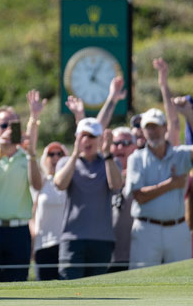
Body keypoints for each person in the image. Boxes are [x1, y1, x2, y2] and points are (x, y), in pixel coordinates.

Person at [0, 90, 44, 283]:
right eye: (4, 125)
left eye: (13, 125)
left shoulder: (26, 157)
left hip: (18, 232)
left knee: (17, 287)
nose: (8, 130)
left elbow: (37, 184)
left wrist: (31, 155)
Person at [127, 105, 193, 269]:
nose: (153, 132)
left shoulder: (180, 154)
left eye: (156, 127)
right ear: (144, 131)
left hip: (178, 229)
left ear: (165, 128)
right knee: (142, 283)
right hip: (146, 229)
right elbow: (139, 196)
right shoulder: (136, 159)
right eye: (148, 128)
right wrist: (170, 185)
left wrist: (189, 116)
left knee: (180, 284)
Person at [54, 118, 123, 280]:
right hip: (72, 239)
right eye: (82, 136)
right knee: (70, 290)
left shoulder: (111, 162)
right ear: (76, 137)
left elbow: (116, 185)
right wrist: (75, 155)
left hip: (102, 240)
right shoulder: (65, 162)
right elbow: (60, 184)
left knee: (97, 294)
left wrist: (107, 155)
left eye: (91, 136)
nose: (86, 140)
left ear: (100, 139)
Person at [31, 141, 68, 281]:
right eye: (51, 154)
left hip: (67, 244)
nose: (56, 158)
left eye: (60, 154)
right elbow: (31, 213)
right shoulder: (40, 182)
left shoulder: (72, 182)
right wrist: (33, 236)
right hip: (44, 244)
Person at [108, 127, 138, 273]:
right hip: (106, 255)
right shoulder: (101, 170)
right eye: (116, 143)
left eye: (126, 143)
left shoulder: (144, 169)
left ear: (135, 146)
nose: (120, 146)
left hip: (137, 254)